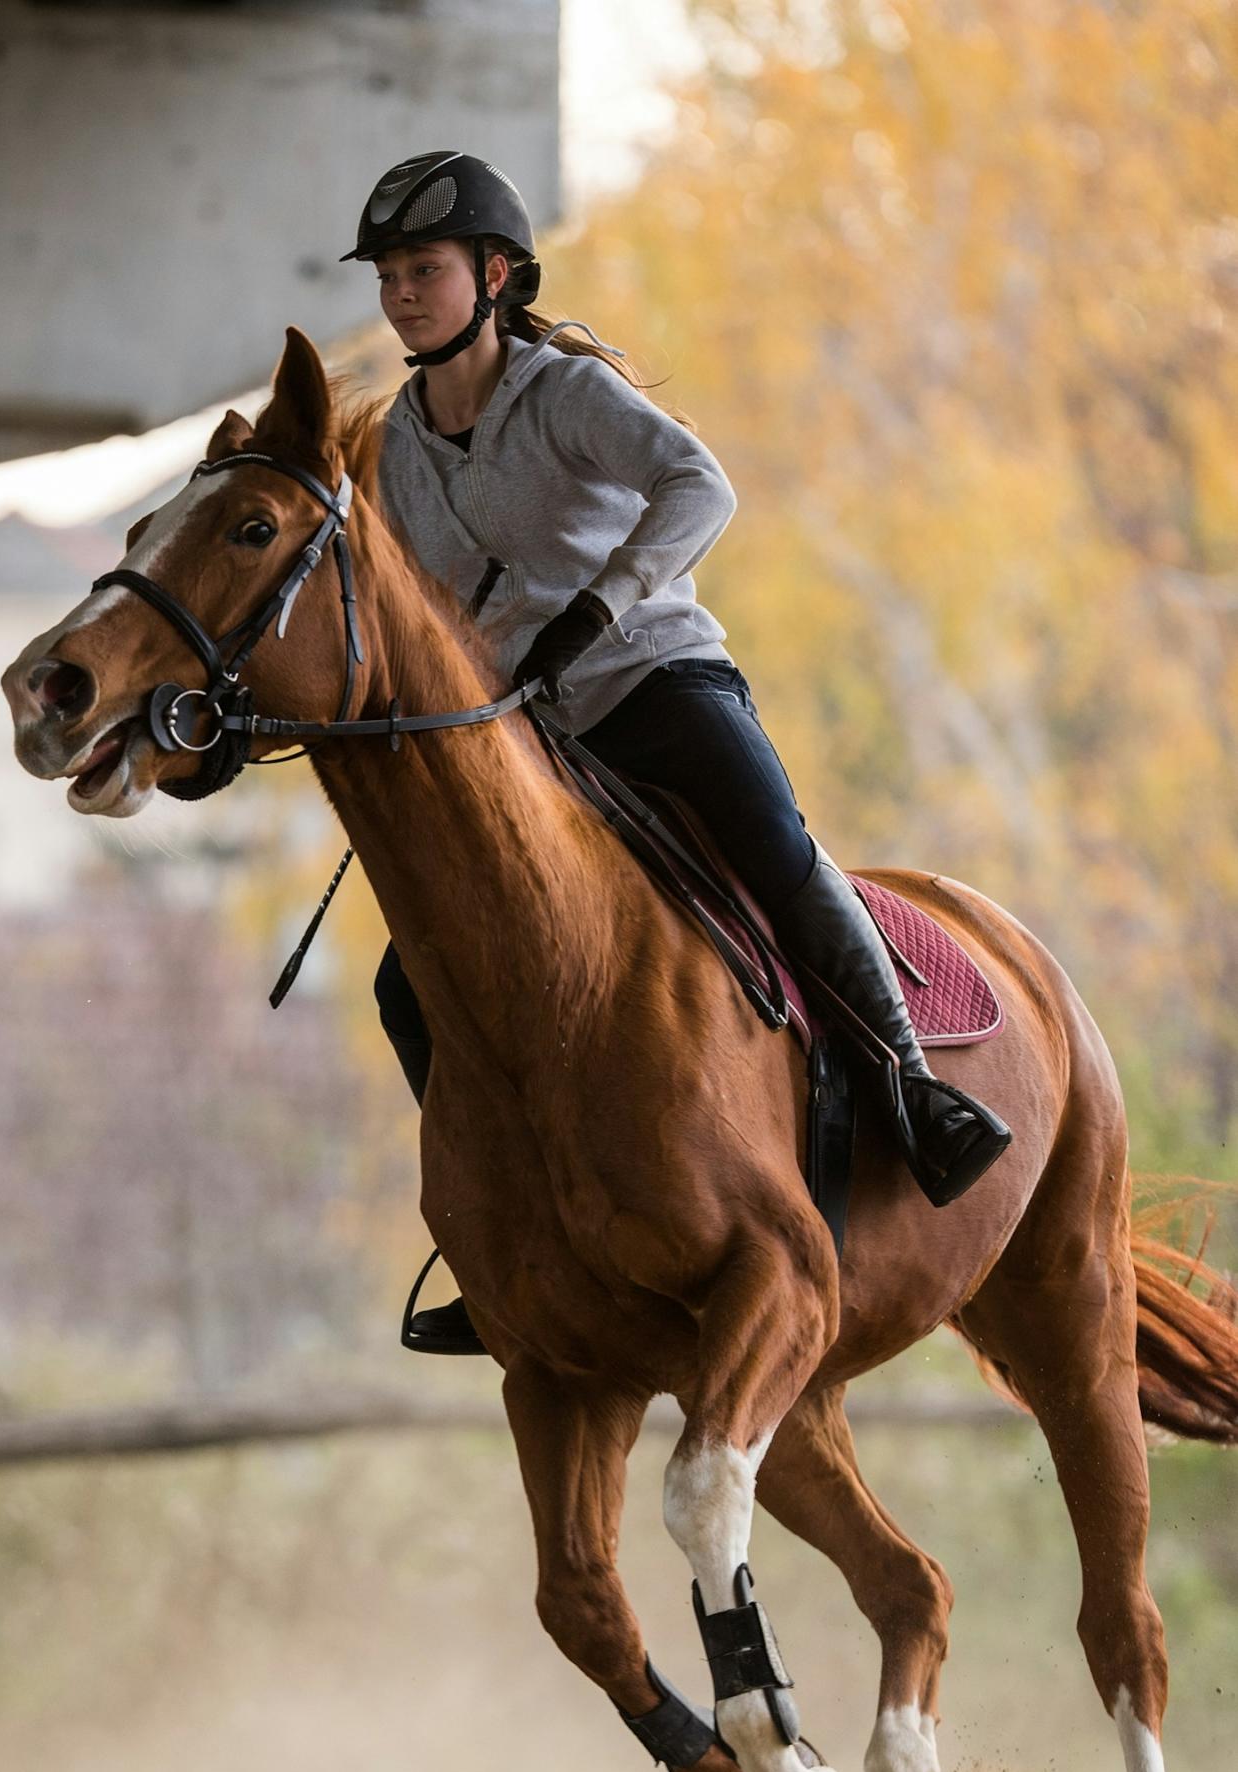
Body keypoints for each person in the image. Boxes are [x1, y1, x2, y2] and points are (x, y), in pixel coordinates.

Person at [344, 151, 1012, 1354]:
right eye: (389, 275)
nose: (401, 293)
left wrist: (597, 609)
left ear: (494, 276)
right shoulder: (396, 444)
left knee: (778, 850)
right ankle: (503, 1230)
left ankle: (917, 1093)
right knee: (410, 979)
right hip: (528, 735)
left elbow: (702, 487)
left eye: (423, 270)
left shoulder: (562, 396)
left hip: (653, 677)